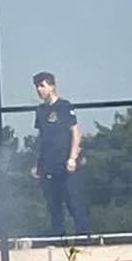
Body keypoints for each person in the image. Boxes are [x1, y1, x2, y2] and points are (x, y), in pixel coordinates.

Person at [32, 70, 90, 238]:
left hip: (65, 164)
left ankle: (84, 237)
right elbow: (42, 138)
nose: (39, 90)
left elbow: (76, 132)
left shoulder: (64, 106)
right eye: (37, 86)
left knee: (74, 201)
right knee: (53, 204)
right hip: (48, 164)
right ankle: (59, 238)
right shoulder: (40, 111)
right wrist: (39, 164)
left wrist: (72, 158)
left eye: (42, 86)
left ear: (51, 86)